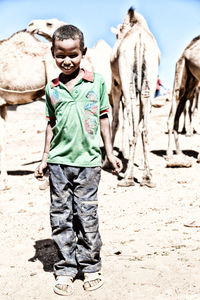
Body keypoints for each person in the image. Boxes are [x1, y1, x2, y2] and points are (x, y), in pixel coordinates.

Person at [34, 24, 123, 296]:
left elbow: (104, 117)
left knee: (86, 215)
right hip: (59, 163)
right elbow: (51, 124)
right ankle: (66, 268)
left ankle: (90, 265)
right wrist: (44, 157)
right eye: (61, 55)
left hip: (89, 163)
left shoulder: (96, 83)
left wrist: (109, 152)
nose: (67, 60)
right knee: (61, 216)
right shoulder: (52, 89)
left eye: (73, 54)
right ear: (53, 54)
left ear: (83, 52)